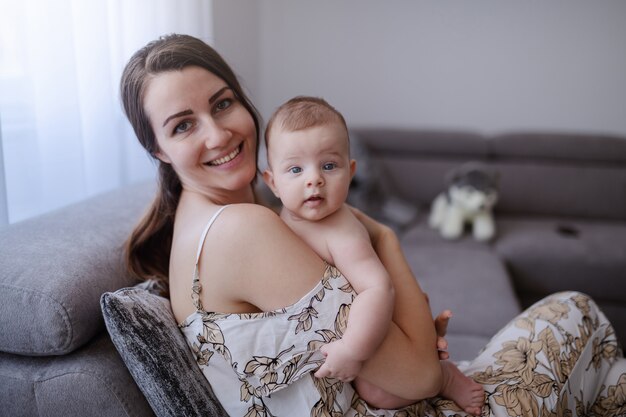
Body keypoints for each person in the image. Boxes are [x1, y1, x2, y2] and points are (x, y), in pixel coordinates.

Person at [120, 33, 625, 417]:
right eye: (183, 125)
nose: (219, 133)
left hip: (385, 397)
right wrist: (383, 237)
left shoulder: (206, 220)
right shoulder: (241, 231)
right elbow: (421, 373)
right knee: (575, 311)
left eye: (223, 103)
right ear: (157, 150)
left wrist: (413, 335)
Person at [262, 95, 484, 415]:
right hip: (347, 333)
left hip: (380, 320)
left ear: (350, 173)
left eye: (329, 165)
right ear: (273, 182)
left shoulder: (340, 229)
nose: (314, 179)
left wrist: (353, 349)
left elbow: (377, 287)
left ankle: (445, 379)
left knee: (377, 392)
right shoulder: (274, 220)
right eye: (295, 169)